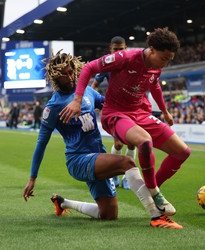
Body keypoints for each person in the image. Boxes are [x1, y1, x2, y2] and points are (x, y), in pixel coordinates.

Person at [23, 51, 182, 229]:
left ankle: (63, 203)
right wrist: (32, 178)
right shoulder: (53, 107)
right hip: (78, 160)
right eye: (63, 75)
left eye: (70, 72)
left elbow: (114, 108)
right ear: (54, 78)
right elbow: (41, 143)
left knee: (108, 214)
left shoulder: (88, 92)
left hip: (98, 156)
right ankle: (157, 215)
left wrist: (144, 111)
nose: (69, 77)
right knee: (127, 162)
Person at [60, 27, 192, 214]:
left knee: (182, 152)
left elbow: (154, 87)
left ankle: (149, 187)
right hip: (116, 113)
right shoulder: (125, 57)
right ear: (152, 49)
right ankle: (155, 193)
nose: (165, 64)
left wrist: (164, 111)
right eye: (164, 58)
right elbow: (89, 68)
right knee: (144, 142)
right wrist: (77, 99)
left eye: (169, 60)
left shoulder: (156, 67)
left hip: (140, 112)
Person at [91, 36, 136, 189]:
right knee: (118, 143)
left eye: (121, 49)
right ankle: (114, 175)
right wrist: (90, 101)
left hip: (131, 107)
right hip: (115, 108)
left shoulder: (133, 62)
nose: (118, 52)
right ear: (110, 50)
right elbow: (94, 85)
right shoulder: (107, 65)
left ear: (126, 48)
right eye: (115, 50)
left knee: (132, 144)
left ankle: (128, 178)